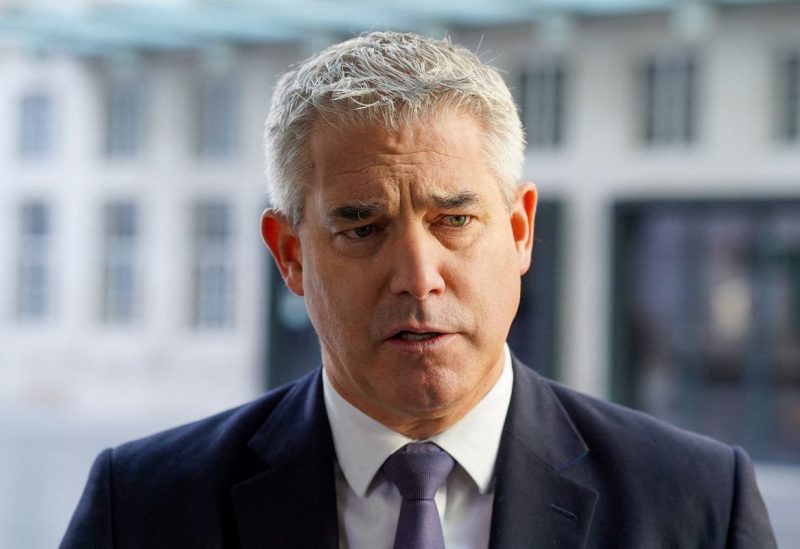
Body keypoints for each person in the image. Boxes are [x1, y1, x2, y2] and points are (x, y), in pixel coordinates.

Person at [61, 31, 776, 548]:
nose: (417, 277)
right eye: (363, 228)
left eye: (456, 219)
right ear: (290, 255)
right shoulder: (145, 507)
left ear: (521, 231)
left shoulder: (700, 504)